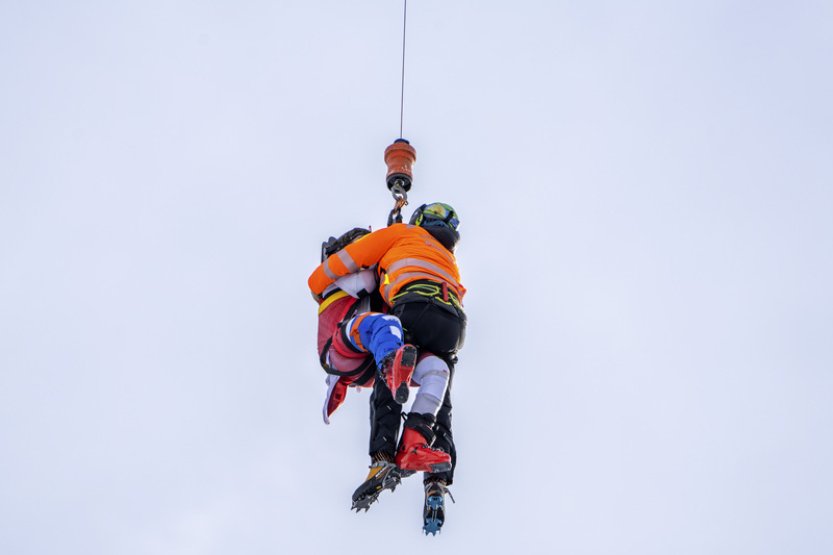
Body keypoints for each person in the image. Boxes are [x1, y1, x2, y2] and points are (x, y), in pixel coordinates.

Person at [309, 202, 466, 534]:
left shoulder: (400, 234)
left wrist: (318, 281)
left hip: (406, 313)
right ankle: (421, 452)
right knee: (439, 378)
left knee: (392, 348)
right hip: (453, 325)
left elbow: (341, 269)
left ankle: (383, 453)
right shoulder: (449, 260)